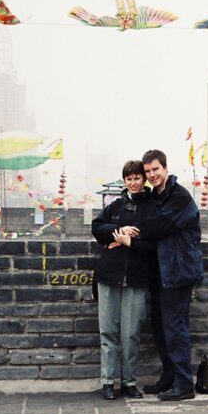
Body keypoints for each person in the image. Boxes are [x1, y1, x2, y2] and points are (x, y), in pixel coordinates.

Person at [133, 149, 205, 401]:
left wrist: (131, 233)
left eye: (155, 169)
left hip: (178, 269)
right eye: (148, 171)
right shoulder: (155, 197)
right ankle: (169, 376)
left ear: (165, 168)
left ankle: (184, 384)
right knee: (159, 327)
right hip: (159, 269)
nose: (152, 175)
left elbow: (160, 227)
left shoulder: (179, 196)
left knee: (175, 328)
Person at [90, 160, 150, 400]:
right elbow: (97, 228)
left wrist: (129, 240)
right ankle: (107, 381)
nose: (133, 183)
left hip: (136, 278)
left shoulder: (152, 206)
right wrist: (119, 230)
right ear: (124, 180)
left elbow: (154, 236)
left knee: (131, 334)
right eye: (129, 179)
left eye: (137, 178)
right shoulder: (115, 205)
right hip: (109, 276)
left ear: (144, 179)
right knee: (107, 332)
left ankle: (129, 381)